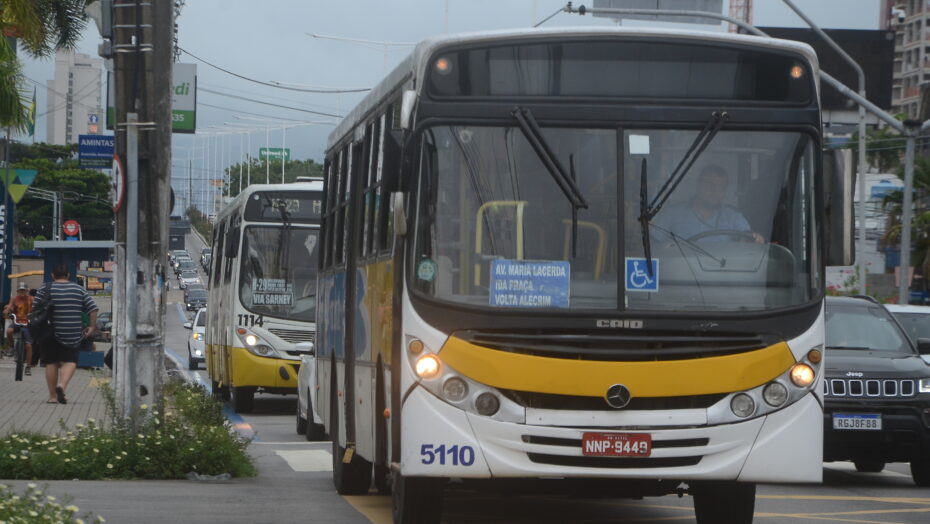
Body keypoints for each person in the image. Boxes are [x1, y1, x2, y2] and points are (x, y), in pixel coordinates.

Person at [32, 264, 98, 404]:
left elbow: (35, 309)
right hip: (71, 332)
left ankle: (52, 397)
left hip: (48, 332)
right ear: (68, 275)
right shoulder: (78, 289)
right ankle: (61, 386)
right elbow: (93, 308)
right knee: (70, 361)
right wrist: (91, 326)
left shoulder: (45, 288)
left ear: (52, 275)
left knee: (51, 362)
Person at [653, 165, 764, 243]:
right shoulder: (672, 215)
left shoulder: (733, 217)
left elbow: (748, 236)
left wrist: (754, 238)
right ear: (698, 185)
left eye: (721, 187)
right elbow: (654, 247)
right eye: (710, 185)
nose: (716, 191)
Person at [3, 282, 34, 376]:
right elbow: (9, 306)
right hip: (17, 322)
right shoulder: (14, 299)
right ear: (17, 291)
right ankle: (11, 347)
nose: (22, 292)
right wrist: (7, 310)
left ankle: (28, 367)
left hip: (27, 324)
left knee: (28, 346)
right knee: (9, 331)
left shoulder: (31, 299)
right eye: (20, 290)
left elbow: (37, 307)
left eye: (23, 290)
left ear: (26, 291)